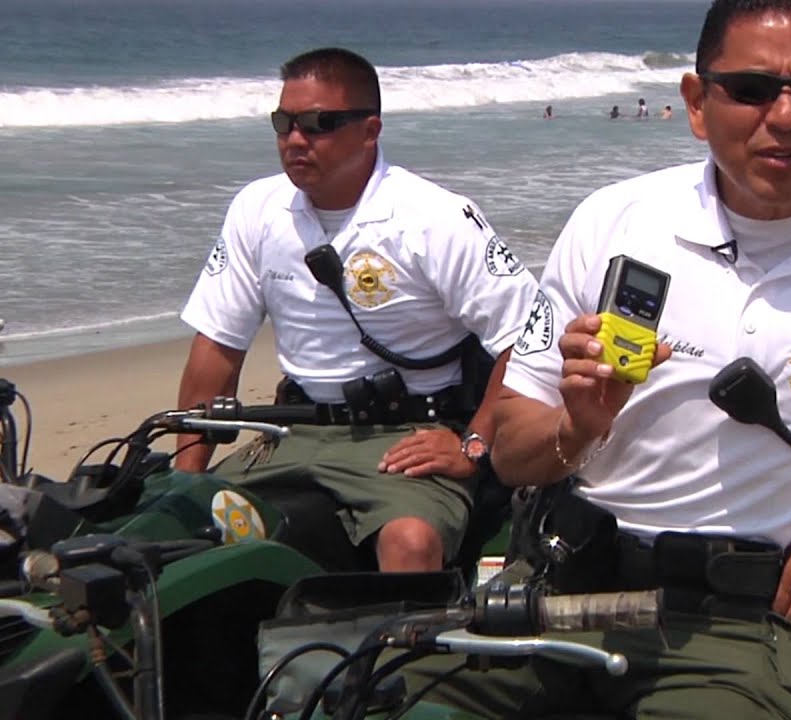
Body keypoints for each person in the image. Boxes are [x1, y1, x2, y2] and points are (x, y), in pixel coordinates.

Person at [410, 0, 791, 717]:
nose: (785, 116)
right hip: (563, 585)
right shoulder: (611, 223)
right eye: (751, 89)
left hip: (748, 628)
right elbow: (511, 455)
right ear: (697, 103)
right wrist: (580, 427)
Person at [175, 47, 538, 573]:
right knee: (174, 531)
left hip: (405, 438)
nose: (296, 139)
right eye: (285, 123)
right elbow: (217, 347)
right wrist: (189, 481)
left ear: (370, 131)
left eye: (320, 123)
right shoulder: (257, 209)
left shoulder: (434, 218)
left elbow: (529, 333)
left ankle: (407, 656)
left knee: (409, 543)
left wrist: (474, 445)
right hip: (295, 431)